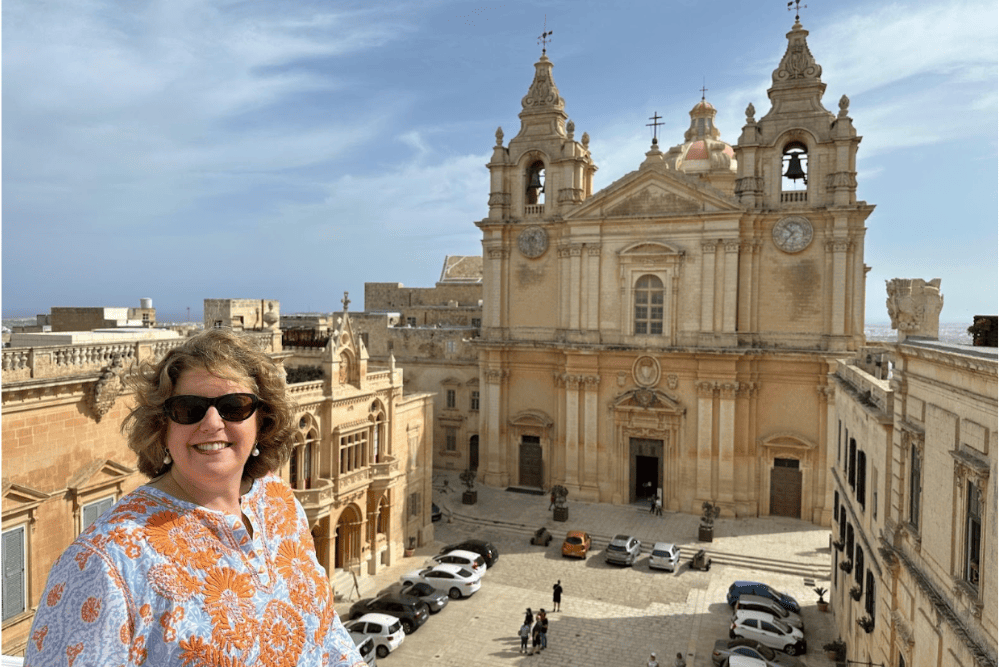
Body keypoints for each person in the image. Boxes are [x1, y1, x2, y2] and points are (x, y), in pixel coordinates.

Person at [24, 328, 366, 666]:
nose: (212, 422)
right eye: (189, 409)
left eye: (234, 406)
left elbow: (326, 633)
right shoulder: (104, 562)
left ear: (262, 421)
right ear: (163, 426)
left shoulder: (277, 499)